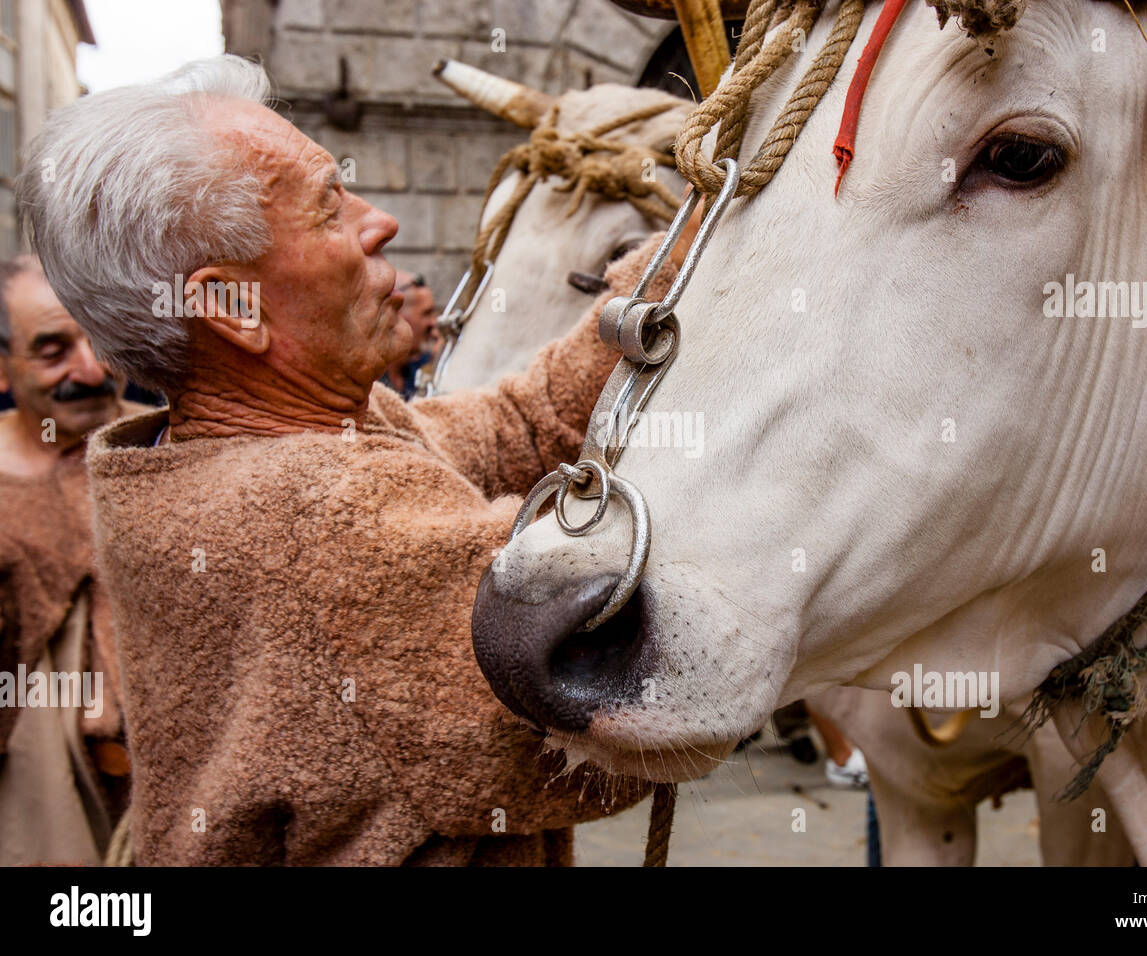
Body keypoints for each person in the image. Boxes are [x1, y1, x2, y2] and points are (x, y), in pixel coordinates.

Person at [17, 55, 685, 865]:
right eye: (329, 208)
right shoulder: (333, 515)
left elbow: (517, 423)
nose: (381, 222)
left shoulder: (221, 453)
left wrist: (658, 281)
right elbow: (644, 691)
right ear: (234, 308)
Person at [0, 255, 138, 864]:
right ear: (3, 368)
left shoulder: (171, 447)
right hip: (42, 803)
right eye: (53, 349)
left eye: (100, 335)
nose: (91, 369)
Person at [380, 270, 439, 399]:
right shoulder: (369, 383)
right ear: (396, 315)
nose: (433, 322)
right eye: (426, 313)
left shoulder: (420, 368)